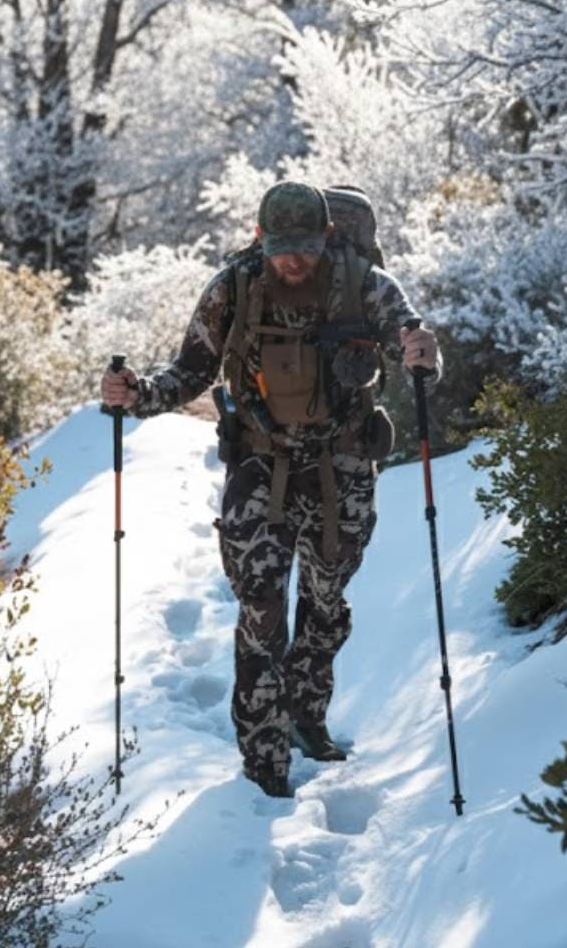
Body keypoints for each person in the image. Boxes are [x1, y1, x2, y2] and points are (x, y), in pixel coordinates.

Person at [99, 181, 442, 798]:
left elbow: (410, 340)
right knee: (259, 605)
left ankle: (306, 715)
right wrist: (137, 393)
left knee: (326, 600)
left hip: (341, 464)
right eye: (282, 247)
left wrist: (422, 355)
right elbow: (191, 371)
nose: (293, 260)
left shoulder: (364, 282)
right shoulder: (234, 285)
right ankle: (264, 766)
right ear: (261, 238)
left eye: (305, 248)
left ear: (327, 238)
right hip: (260, 465)